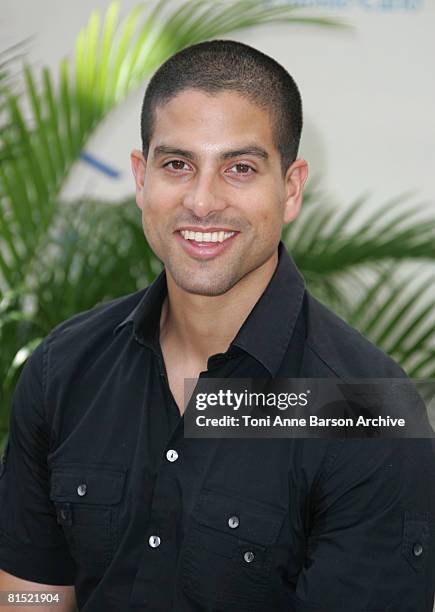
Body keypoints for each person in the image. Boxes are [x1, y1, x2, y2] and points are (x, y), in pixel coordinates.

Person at [0, 39, 433, 612]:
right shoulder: (63, 369)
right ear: (140, 177)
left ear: (292, 188)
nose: (202, 202)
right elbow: (31, 599)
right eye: (177, 164)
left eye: (240, 168)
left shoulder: (362, 409)